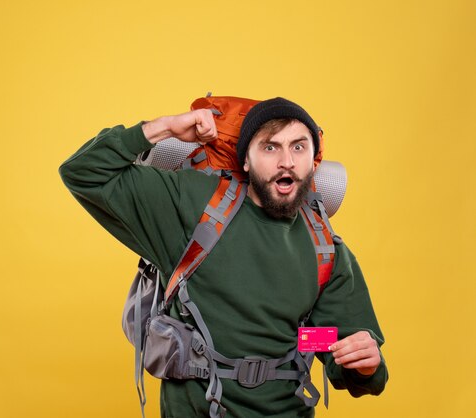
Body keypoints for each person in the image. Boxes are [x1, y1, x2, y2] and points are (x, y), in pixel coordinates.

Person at [59, 97, 388, 417]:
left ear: (313, 160)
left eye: (298, 147)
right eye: (270, 147)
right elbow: (83, 172)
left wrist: (364, 362)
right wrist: (164, 129)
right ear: (246, 160)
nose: (286, 160)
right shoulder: (192, 205)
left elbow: (341, 358)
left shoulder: (324, 246)